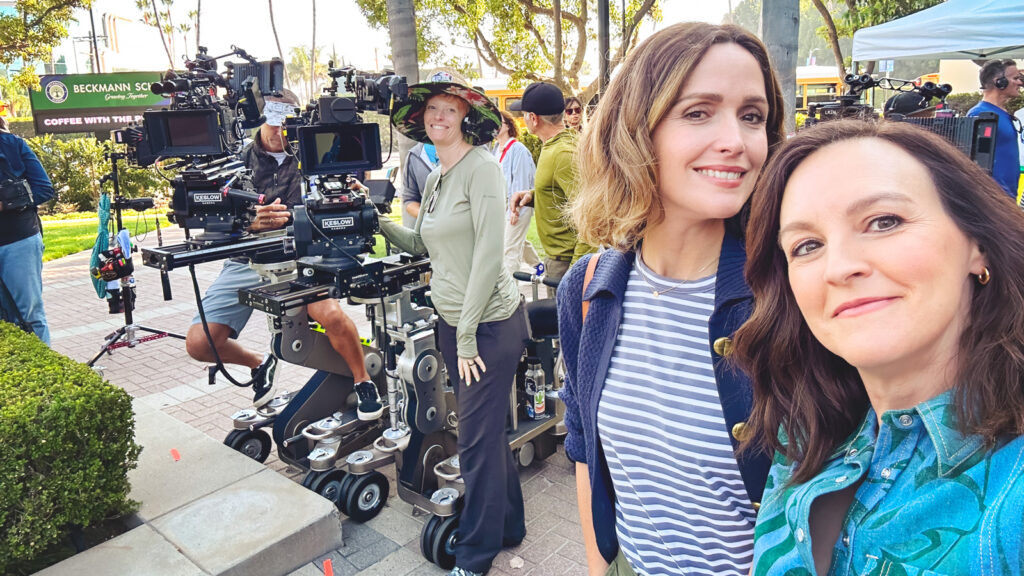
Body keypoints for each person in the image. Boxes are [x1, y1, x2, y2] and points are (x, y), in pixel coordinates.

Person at [734, 119, 1024, 575]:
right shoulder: (806, 429)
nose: (839, 267)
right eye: (807, 246)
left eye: (884, 222)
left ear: (978, 245)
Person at [557, 22, 786, 576]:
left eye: (752, 116)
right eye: (698, 112)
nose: (736, 140)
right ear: (635, 131)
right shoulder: (589, 290)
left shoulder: (788, 297)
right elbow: (585, 448)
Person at [384, 79, 528, 576]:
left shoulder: (482, 168)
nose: (438, 116)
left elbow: (489, 255)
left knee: (474, 440)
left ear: (466, 118)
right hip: (454, 323)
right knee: (485, 433)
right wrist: (372, 220)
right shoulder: (436, 177)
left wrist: (466, 336)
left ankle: (474, 554)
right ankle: (510, 525)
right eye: (432, 109)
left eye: (449, 109)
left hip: (488, 326)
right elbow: (421, 243)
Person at [184, 92, 381, 418]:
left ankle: (363, 380)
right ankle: (260, 364)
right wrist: (248, 222)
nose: (278, 129)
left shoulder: (314, 152)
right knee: (200, 343)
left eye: (285, 121)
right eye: (272, 119)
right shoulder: (234, 160)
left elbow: (347, 196)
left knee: (330, 315)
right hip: (248, 257)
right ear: (259, 118)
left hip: (304, 257)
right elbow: (207, 219)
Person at [509, 82, 593, 292]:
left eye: (524, 114)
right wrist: (534, 196)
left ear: (533, 118)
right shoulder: (556, 147)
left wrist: (575, 273)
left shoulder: (562, 154)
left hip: (565, 264)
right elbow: (564, 194)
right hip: (559, 261)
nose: (523, 119)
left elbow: (591, 215)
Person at [0, 115, 54, 345]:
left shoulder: (12, 145)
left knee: (28, 315)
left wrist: (6, 203)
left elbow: (44, 189)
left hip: (17, 241)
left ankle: (43, 367)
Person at [494, 110, 541, 275]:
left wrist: (515, 210)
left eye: (499, 122)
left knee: (509, 249)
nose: (495, 127)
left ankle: (510, 289)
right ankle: (539, 266)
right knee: (516, 239)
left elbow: (521, 183)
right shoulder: (496, 150)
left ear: (508, 125)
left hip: (518, 206)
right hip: (502, 207)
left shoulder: (518, 149)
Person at [968, 59, 1022, 198]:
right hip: (992, 198)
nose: (1020, 83)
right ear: (999, 82)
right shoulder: (980, 114)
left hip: (1006, 197)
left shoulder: (1001, 114)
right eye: (1015, 78)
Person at [400, 141, 438, 225]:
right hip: (430, 229)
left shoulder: (464, 152)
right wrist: (428, 218)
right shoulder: (414, 155)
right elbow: (410, 199)